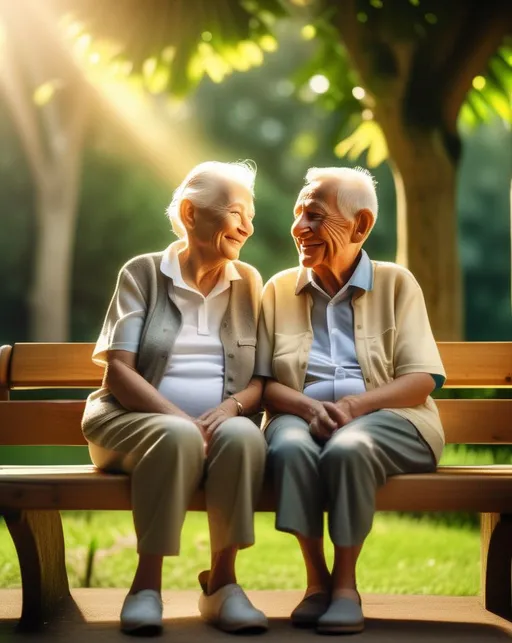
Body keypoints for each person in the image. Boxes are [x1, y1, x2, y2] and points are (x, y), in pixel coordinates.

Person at [256, 166, 445, 634]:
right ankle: (315, 582)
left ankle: (345, 587)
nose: (301, 227)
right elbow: (262, 382)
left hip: (391, 418)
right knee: (291, 447)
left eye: (316, 216)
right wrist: (307, 407)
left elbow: (421, 379)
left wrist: (354, 408)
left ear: (360, 226)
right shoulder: (278, 288)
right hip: (298, 415)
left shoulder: (397, 283)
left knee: (347, 448)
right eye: (298, 213)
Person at [82, 161, 268, 635]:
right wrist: (181, 420)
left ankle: (223, 586)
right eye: (235, 212)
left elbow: (260, 381)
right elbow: (119, 371)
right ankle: (146, 587)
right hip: (129, 422)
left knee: (245, 437)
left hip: (213, 425)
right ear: (190, 213)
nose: (247, 226)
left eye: (251, 214)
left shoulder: (249, 282)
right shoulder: (142, 273)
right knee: (175, 438)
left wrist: (230, 410)